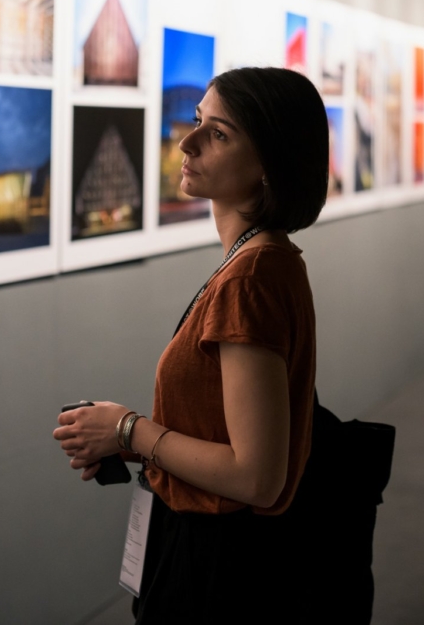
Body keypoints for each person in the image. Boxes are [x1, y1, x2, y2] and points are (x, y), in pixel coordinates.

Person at [53, 67, 329, 623]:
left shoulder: (249, 279)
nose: (187, 141)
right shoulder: (262, 260)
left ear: (267, 167)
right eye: (199, 121)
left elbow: (256, 476)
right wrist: (122, 442)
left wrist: (129, 428)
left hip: (217, 569)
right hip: (220, 556)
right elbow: (226, 430)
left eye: (218, 134)